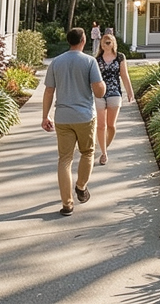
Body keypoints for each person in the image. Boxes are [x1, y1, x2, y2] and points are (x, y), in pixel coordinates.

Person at [41, 28, 105, 216]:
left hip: (62, 118)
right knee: (87, 152)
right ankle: (81, 186)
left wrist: (45, 116)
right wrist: (102, 84)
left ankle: (67, 204)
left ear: (69, 41)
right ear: (83, 40)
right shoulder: (90, 62)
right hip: (85, 117)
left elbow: (49, 91)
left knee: (64, 159)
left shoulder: (56, 62)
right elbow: (99, 92)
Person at [92, 34, 134, 166]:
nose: (106, 44)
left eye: (109, 42)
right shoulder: (97, 60)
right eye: (104, 42)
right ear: (101, 44)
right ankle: (104, 153)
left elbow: (124, 75)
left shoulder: (120, 57)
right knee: (101, 125)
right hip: (100, 94)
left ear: (113, 43)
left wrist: (130, 92)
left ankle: (104, 145)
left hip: (114, 92)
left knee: (111, 125)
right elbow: (92, 78)